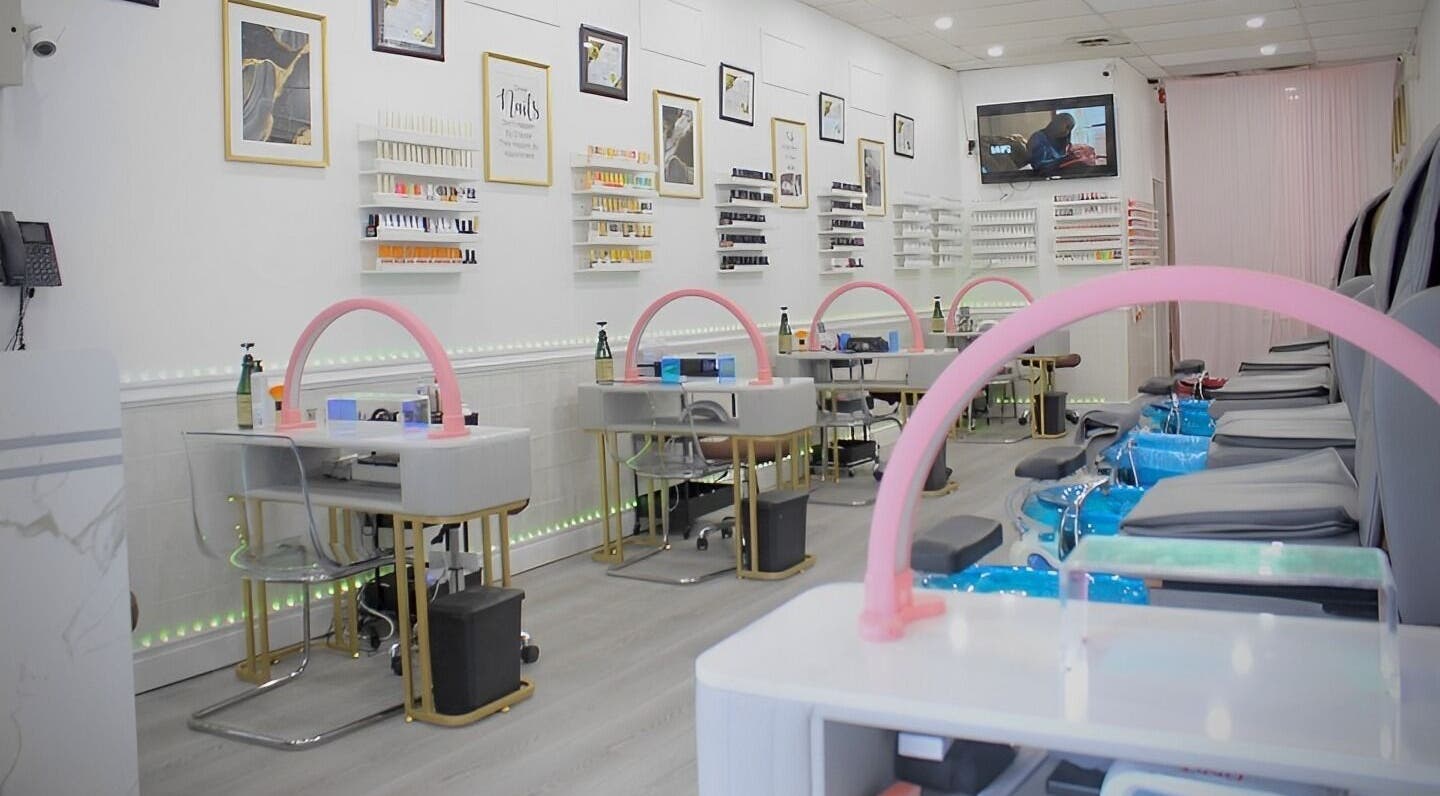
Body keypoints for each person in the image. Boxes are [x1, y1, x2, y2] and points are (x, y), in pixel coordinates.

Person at [1027, 113, 1097, 175]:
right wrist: (1065, 159)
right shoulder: (1038, 138)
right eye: (1066, 126)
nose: (1067, 131)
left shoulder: (1062, 141)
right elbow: (1038, 166)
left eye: (1070, 129)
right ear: (1056, 123)